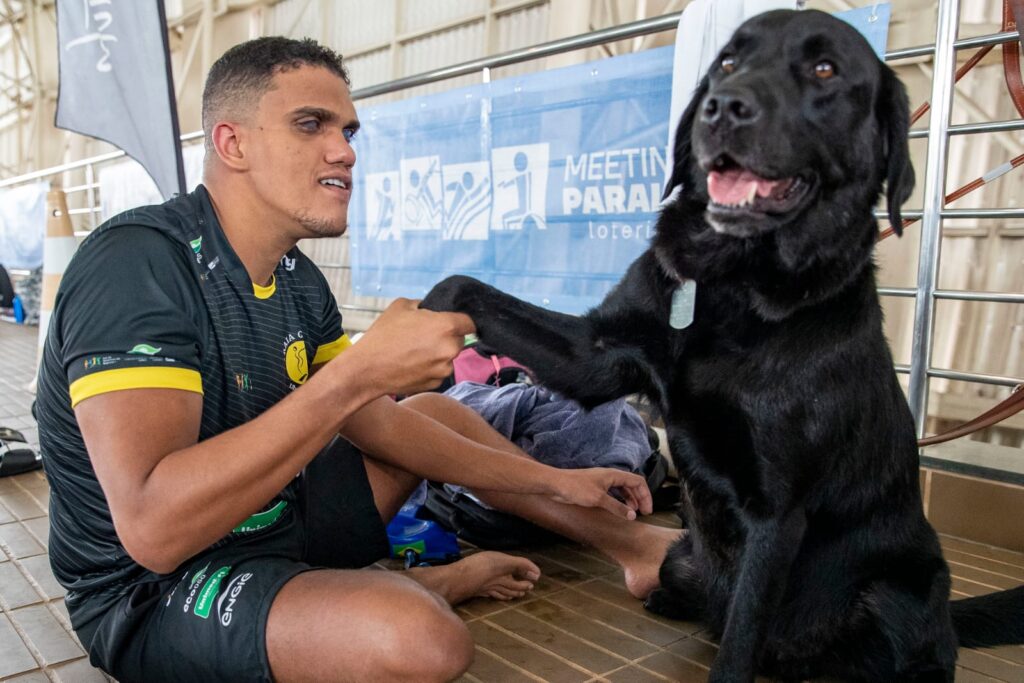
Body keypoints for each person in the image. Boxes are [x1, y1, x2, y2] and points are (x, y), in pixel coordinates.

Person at [35, 36, 679, 683]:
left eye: (348, 129)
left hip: (274, 522)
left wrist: (555, 477)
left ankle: (635, 550)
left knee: (432, 412)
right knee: (417, 639)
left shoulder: (298, 281)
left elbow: (381, 426)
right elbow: (155, 529)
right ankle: (423, 588)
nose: (344, 149)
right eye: (310, 124)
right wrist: (358, 372)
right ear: (232, 143)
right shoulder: (138, 265)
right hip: (154, 586)